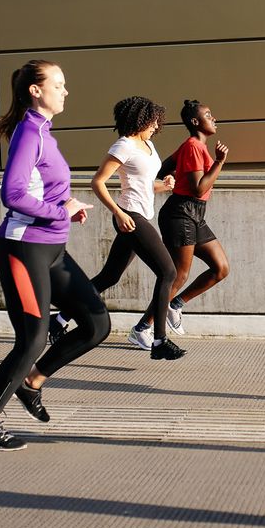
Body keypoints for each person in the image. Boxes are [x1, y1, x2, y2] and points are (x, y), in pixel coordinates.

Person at [0, 60, 110, 451]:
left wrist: (66, 204)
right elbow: (12, 194)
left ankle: (32, 383)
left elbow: (43, 189)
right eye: (59, 84)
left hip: (53, 249)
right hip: (22, 248)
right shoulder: (30, 132)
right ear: (35, 89)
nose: (66, 91)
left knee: (97, 325)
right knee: (31, 339)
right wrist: (59, 211)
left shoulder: (45, 133)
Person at [51, 96, 183, 361]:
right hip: (130, 216)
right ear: (140, 119)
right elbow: (98, 182)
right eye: (153, 120)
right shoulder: (123, 145)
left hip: (141, 214)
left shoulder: (148, 145)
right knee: (168, 271)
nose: (157, 126)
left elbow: (144, 183)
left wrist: (164, 185)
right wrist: (118, 213)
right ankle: (159, 340)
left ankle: (59, 319)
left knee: (110, 276)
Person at [128, 100, 229, 339]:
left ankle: (175, 304)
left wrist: (172, 176)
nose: (213, 118)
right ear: (195, 122)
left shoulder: (194, 147)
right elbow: (197, 188)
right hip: (180, 213)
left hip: (195, 214)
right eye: (208, 114)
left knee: (220, 268)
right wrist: (219, 162)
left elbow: (163, 168)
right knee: (177, 275)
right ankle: (141, 329)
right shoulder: (194, 146)